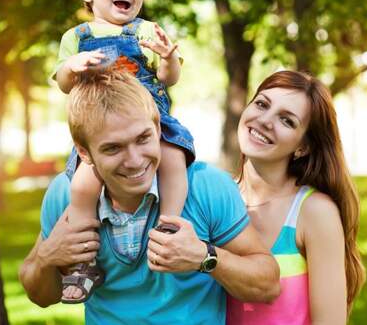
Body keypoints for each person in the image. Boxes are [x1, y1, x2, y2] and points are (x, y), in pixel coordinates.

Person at [18, 69, 280, 324]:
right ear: (84, 153)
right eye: (113, 148)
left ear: (157, 127)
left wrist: (204, 256)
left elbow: (267, 285)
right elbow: (41, 296)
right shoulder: (66, 195)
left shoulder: (206, 186)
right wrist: (46, 257)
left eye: (143, 138)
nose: (134, 161)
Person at [52, 0, 194, 303]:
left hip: (150, 122)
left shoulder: (145, 31)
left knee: (174, 159)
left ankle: (169, 227)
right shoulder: (77, 38)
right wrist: (73, 66)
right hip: (101, 131)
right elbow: (64, 83)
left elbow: (168, 78)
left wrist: (169, 58)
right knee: (83, 185)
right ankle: (82, 261)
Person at [226, 70, 366, 325]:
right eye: (261, 104)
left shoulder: (314, 212)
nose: (265, 120)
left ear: (303, 147)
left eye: (287, 120)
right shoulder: (218, 199)